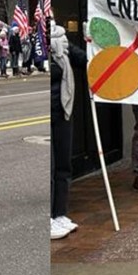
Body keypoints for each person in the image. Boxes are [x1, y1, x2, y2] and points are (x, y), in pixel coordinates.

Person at [50, 23, 86, 240]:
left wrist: (94, 45)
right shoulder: (37, 47)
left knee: (63, 165)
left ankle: (60, 213)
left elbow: (84, 60)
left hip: (63, 109)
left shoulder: (63, 42)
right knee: (50, 168)